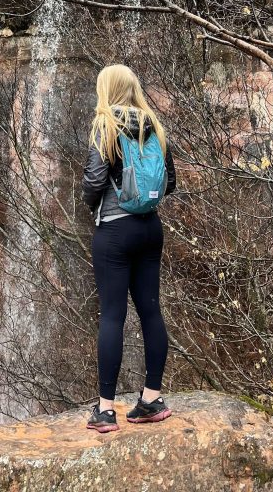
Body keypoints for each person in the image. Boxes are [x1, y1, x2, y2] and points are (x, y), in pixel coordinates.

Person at [82, 64, 177, 433]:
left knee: (112, 316)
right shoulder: (155, 125)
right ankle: (151, 400)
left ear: (106, 89)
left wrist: (96, 203)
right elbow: (170, 181)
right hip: (150, 229)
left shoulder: (105, 124)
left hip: (115, 231)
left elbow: (94, 180)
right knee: (151, 311)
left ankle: (106, 411)